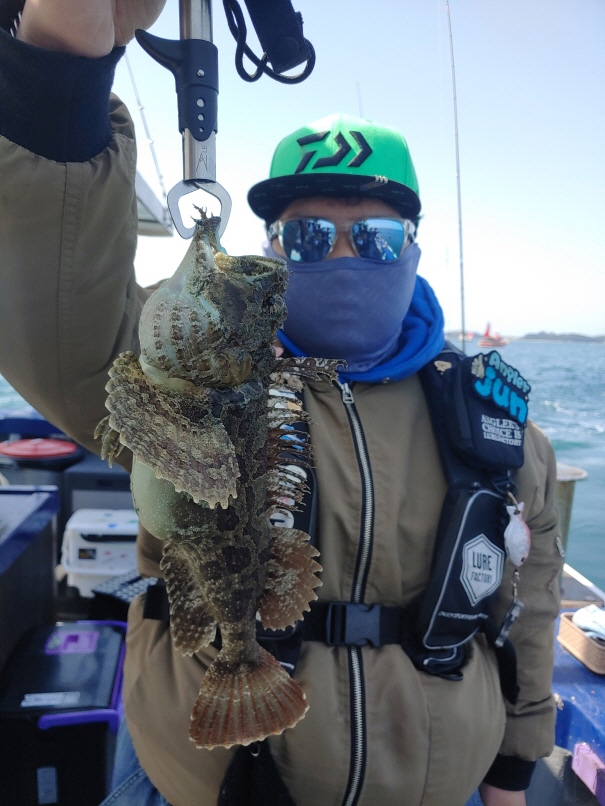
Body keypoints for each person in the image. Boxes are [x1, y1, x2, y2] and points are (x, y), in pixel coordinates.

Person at [0, 2, 563, 805]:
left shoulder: (490, 419)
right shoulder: (186, 374)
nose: (341, 255)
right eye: (306, 237)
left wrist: (515, 764)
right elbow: (57, 321)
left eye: (373, 237)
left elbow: (528, 604)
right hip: (203, 778)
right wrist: (65, 64)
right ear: (271, 249)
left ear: (413, 246)